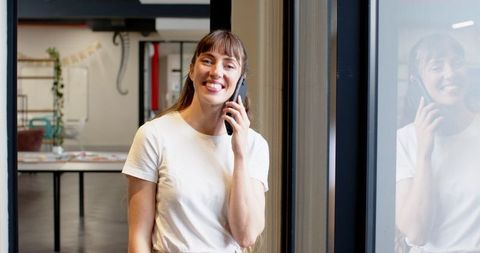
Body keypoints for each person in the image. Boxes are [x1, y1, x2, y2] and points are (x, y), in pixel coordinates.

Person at [122, 30, 269, 253]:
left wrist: (239, 154)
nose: (216, 72)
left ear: (241, 81)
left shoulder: (254, 145)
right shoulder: (154, 135)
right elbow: (138, 236)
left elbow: (246, 235)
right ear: (192, 70)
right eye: (207, 61)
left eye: (229, 65)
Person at [396, 33, 480, 253]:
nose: (450, 74)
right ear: (417, 81)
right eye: (436, 67)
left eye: (457, 63)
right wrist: (424, 152)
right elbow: (416, 233)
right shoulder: (405, 141)